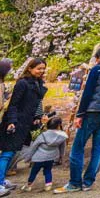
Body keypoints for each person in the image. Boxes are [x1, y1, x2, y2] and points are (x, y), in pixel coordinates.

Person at [55, 47, 100, 194]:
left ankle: (75, 183)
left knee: (77, 147)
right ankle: (88, 182)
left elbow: (88, 93)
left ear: (99, 57)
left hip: (92, 112)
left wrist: (80, 114)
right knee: (98, 148)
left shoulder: (97, 69)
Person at [0, 58, 48, 197]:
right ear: (30, 68)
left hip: (26, 123)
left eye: (43, 68)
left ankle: (2, 180)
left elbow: (34, 104)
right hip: (15, 122)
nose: (41, 71)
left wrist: (36, 118)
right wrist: (12, 121)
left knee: (13, 152)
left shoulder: (38, 83)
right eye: (39, 68)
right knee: (7, 153)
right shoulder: (23, 83)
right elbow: (14, 104)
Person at [21, 116, 68, 192]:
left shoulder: (43, 135)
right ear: (59, 125)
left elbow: (34, 146)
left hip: (39, 158)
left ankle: (28, 185)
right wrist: (61, 157)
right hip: (51, 157)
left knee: (34, 171)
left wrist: (28, 157)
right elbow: (62, 148)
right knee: (48, 170)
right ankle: (48, 185)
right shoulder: (62, 136)